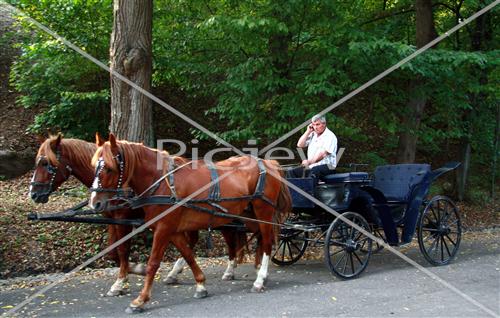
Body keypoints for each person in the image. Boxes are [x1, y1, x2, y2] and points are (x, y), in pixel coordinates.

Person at [288, 114, 337, 180]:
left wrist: (309, 162)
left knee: (314, 171)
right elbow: (300, 145)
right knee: (292, 172)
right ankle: (295, 190)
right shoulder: (313, 134)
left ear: (324, 124)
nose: (315, 127)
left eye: (317, 124)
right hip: (313, 166)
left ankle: (308, 190)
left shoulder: (330, 136)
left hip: (328, 167)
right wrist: (308, 131)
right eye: (313, 125)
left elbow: (322, 154)